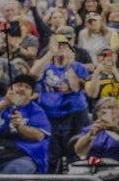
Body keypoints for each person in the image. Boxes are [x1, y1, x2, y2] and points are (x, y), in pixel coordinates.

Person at [33, 37, 89, 172]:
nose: (61, 48)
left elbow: (76, 87)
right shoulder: (45, 65)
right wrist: (50, 53)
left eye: (65, 45)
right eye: (58, 45)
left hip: (74, 113)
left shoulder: (78, 67)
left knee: (74, 151)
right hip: (49, 114)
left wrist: (68, 65)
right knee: (52, 153)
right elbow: (33, 76)